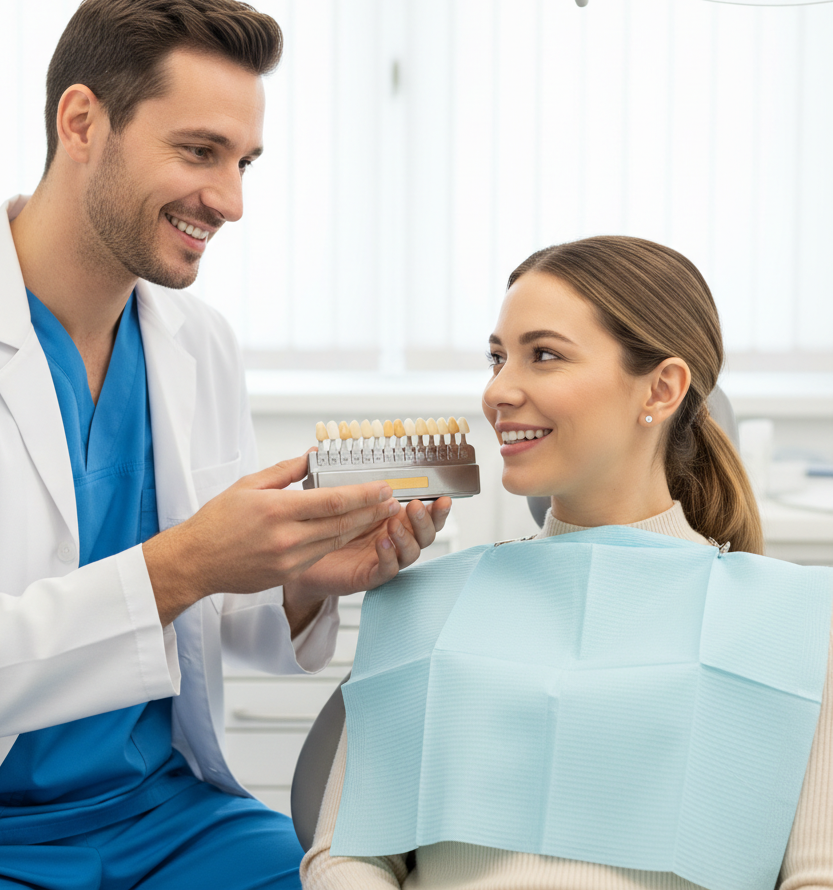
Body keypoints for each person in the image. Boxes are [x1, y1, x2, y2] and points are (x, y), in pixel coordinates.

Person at [0, 0, 451, 890]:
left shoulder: (197, 342)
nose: (230, 200)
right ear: (81, 123)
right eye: (199, 151)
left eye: (244, 163)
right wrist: (183, 561)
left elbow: (210, 614)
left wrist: (301, 581)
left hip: (164, 815)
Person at [302, 235, 833, 890]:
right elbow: (346, 857)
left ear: (661, 389)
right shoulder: (425, 599)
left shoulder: (798, 618)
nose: (499, 391)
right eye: (497, 358)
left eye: (544, 355)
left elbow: (817, 876)